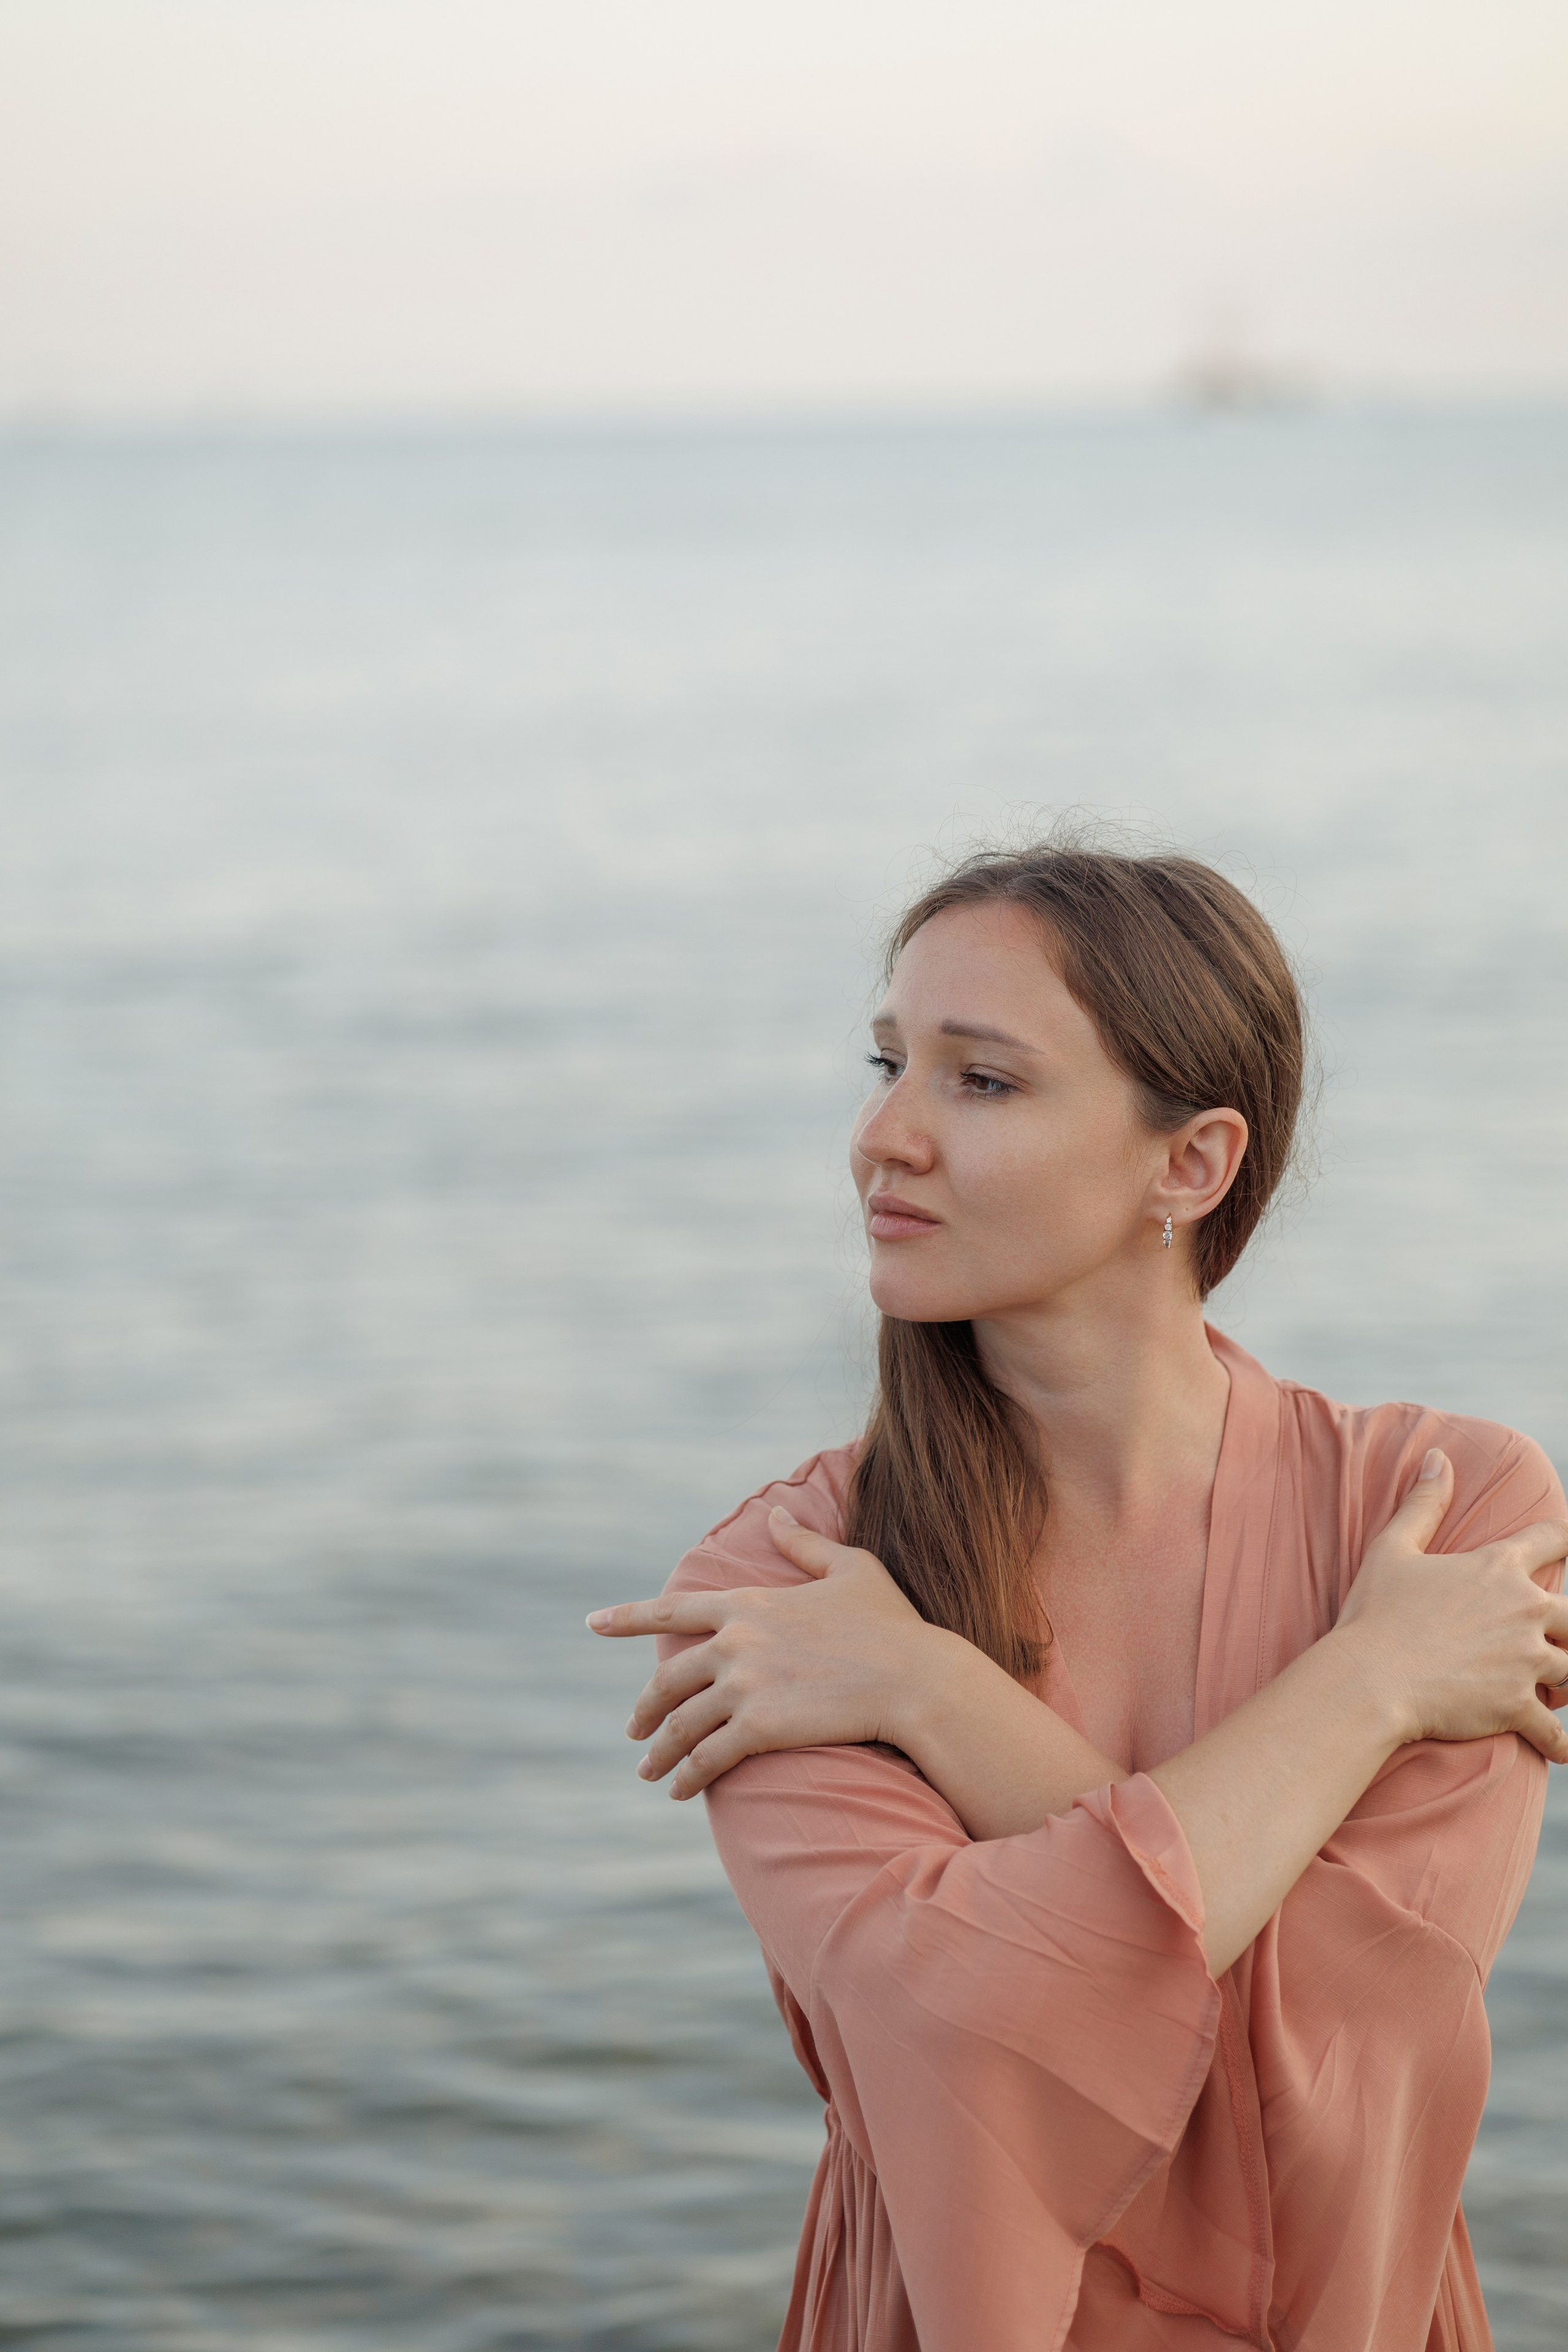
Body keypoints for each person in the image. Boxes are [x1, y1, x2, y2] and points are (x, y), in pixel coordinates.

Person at [587, 843, 1568, 2352]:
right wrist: (1366, 1685)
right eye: (885, 1062)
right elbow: (963, 2020)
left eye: (979, 1083)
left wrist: (928, 1696)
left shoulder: (1448, 1519)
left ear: (1189, 1163)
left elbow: (1347, 2033)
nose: (880, 1136)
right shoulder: (783, 1587)